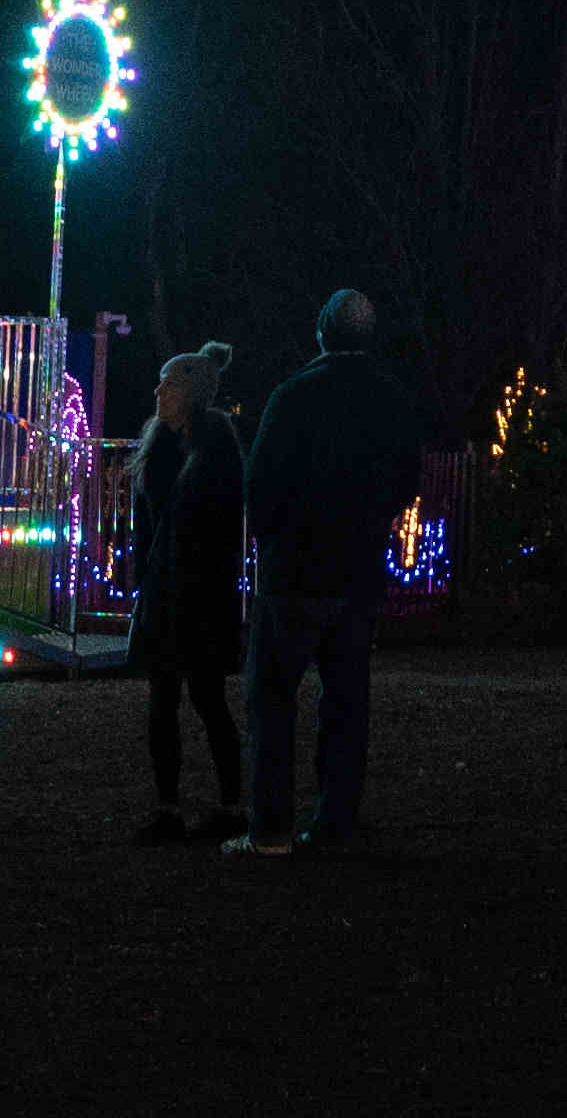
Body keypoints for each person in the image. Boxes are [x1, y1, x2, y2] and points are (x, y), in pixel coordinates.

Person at [227, 285, 424, 859]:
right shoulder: (389, 399)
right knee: (346, 700)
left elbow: (259, 485)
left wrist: (278, 538)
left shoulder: (293, 397)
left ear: (321, 331)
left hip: (294, 576)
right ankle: (336, 821)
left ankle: (271, 831)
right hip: (357, 574)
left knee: (272, 698)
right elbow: (406, 478)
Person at [125, 344, 249, 841]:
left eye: (169, 384)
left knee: (208, 697)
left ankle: (229, 804)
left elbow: (218, 531)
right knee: (163, 700)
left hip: (201, 594)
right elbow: (145, 530)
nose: (158, 392)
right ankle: (169, 808)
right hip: (166, 590)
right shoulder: (159, 451)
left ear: (192, 394)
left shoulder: (215, 453)